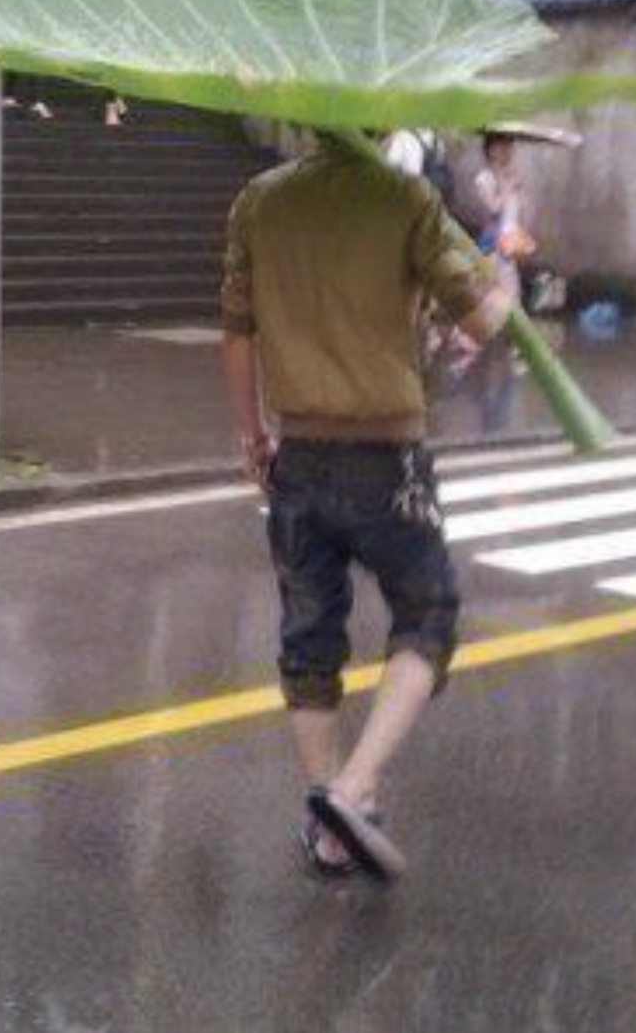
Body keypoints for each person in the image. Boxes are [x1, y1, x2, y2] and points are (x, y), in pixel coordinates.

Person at [221, 132, 511, 882]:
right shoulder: (405, 198)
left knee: (309, 636)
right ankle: (353, 791)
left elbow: (237, 328)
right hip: (389, 460)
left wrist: (253, 433)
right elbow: (481, 320)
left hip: (298, 453)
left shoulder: (262, 200)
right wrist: (503, 286)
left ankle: (326, 823)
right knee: (428, 611)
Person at [472, 132, 536, 303]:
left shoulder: (510, 177)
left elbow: (520, 212)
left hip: (509, 244)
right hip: (493, 245)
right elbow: (493, 208)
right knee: (499, 299)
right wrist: (508, 189)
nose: (508, 152)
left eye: (510, 147)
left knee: (510, 298)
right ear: (491, 150)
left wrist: (521, 193)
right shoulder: (484, 178)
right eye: (503, 147)